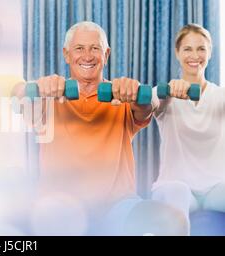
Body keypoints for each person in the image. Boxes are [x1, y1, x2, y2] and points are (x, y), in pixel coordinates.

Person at [12, 21, 188, 235]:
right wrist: (35, 88)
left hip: (117, 207)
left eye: (95, 48)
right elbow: (17, 102)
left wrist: (137, 97)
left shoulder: (122, 96)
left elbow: (148, 106)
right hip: (63, 207)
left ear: (107, 54)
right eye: (79, 49)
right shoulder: (47, 99)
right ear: (66, 54)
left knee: (173, 222)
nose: (87, 56)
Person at [151, 24, 225, 228]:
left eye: (201, 48)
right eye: (188, 49)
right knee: (178, 191)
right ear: (177, 52)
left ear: (209, 52)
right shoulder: (164, 93)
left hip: (215, 189)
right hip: (174, 186)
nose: (195, 55)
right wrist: (168, 92)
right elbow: (146, 106)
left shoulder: (220, 96)